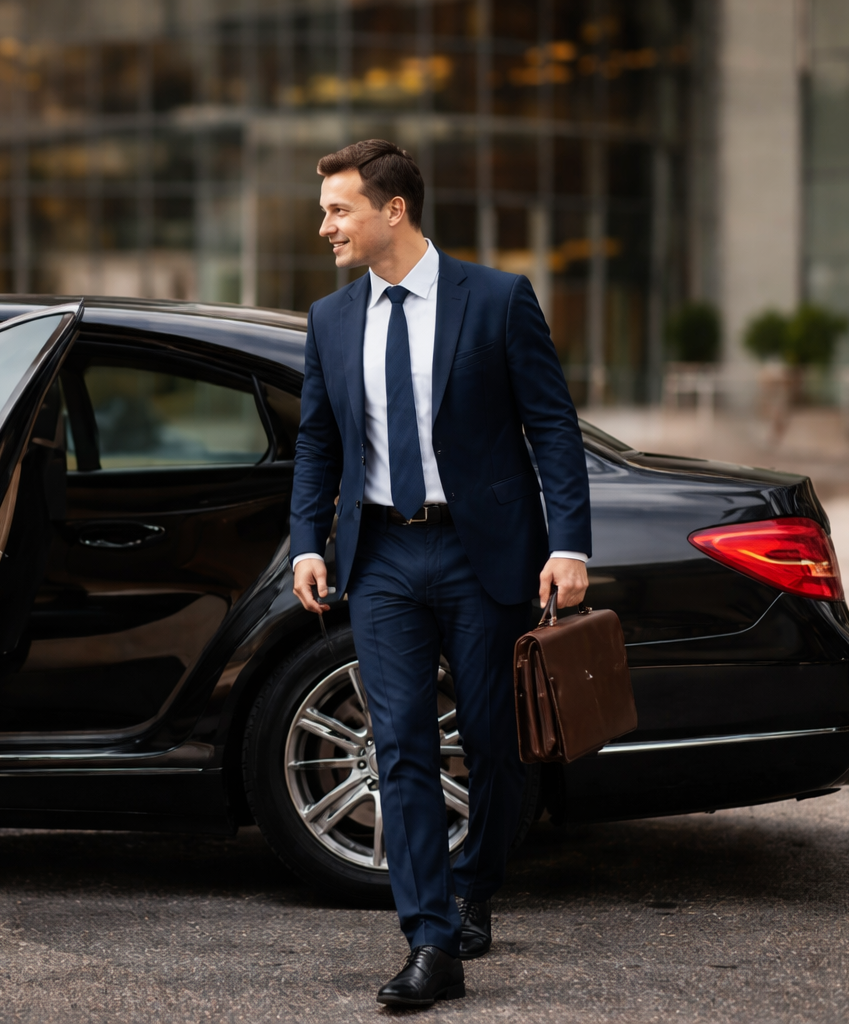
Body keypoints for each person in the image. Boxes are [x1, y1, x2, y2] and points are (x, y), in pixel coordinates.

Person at [290, 140, 591, 1008]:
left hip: (481, 551)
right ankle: (429, 940)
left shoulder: (496, 299)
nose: (325, 227)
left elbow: (552, 426)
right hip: (381, 555)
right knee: (401, 748)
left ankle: (476, 884)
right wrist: (309, 539)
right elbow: (318, 440)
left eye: (339, 209)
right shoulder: (330, 319)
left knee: (496, 743)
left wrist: (568, 544)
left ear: (393, 209)